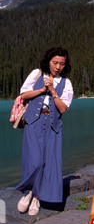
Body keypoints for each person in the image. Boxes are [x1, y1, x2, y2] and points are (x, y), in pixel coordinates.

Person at [16, 47, 73, 215]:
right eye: (55, 63)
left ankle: (37, 198)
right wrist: (42, 89)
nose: (58, 67)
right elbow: (23, 95)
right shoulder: (36, 74)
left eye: (62, 64)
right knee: (33, 161)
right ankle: (27, 192)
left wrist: (53, 91)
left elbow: (62, 109)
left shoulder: (65, 83)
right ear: (48, 61)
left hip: (53, 125)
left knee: (48, 163)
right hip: (33, 121)